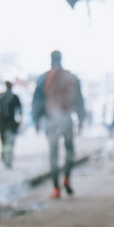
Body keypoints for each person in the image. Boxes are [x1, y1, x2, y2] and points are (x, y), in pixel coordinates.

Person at [32, 51, 84, 199]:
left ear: (50, 60)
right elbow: (79, 99)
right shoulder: (71, 77)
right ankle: (67, 178)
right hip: (67, 118)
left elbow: (37, 101)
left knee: (53, 155)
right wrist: (80, 119)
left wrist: (36, 120)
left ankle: (56, 188)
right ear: (62, 59)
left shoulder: (43, 78)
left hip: (51, 120)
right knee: (69, 152)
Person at [0, 81, 22, 168]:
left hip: (2, 124)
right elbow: (19, 111)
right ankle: (8, 159)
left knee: (4, 142)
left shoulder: (0, 97)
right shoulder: (14, 97)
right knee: (9, 144)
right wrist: (20, 121)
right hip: (11, 124)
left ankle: (5, 157)